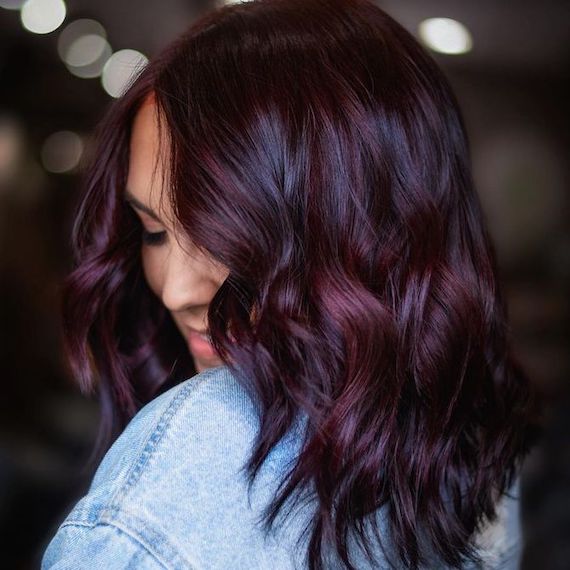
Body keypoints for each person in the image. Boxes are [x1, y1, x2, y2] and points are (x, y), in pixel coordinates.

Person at [40, 0, 541, 568]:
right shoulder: (470, 437)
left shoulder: (203, 450)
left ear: (362, 229)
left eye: (222, 236)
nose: (177, 291)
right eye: (153, 232)